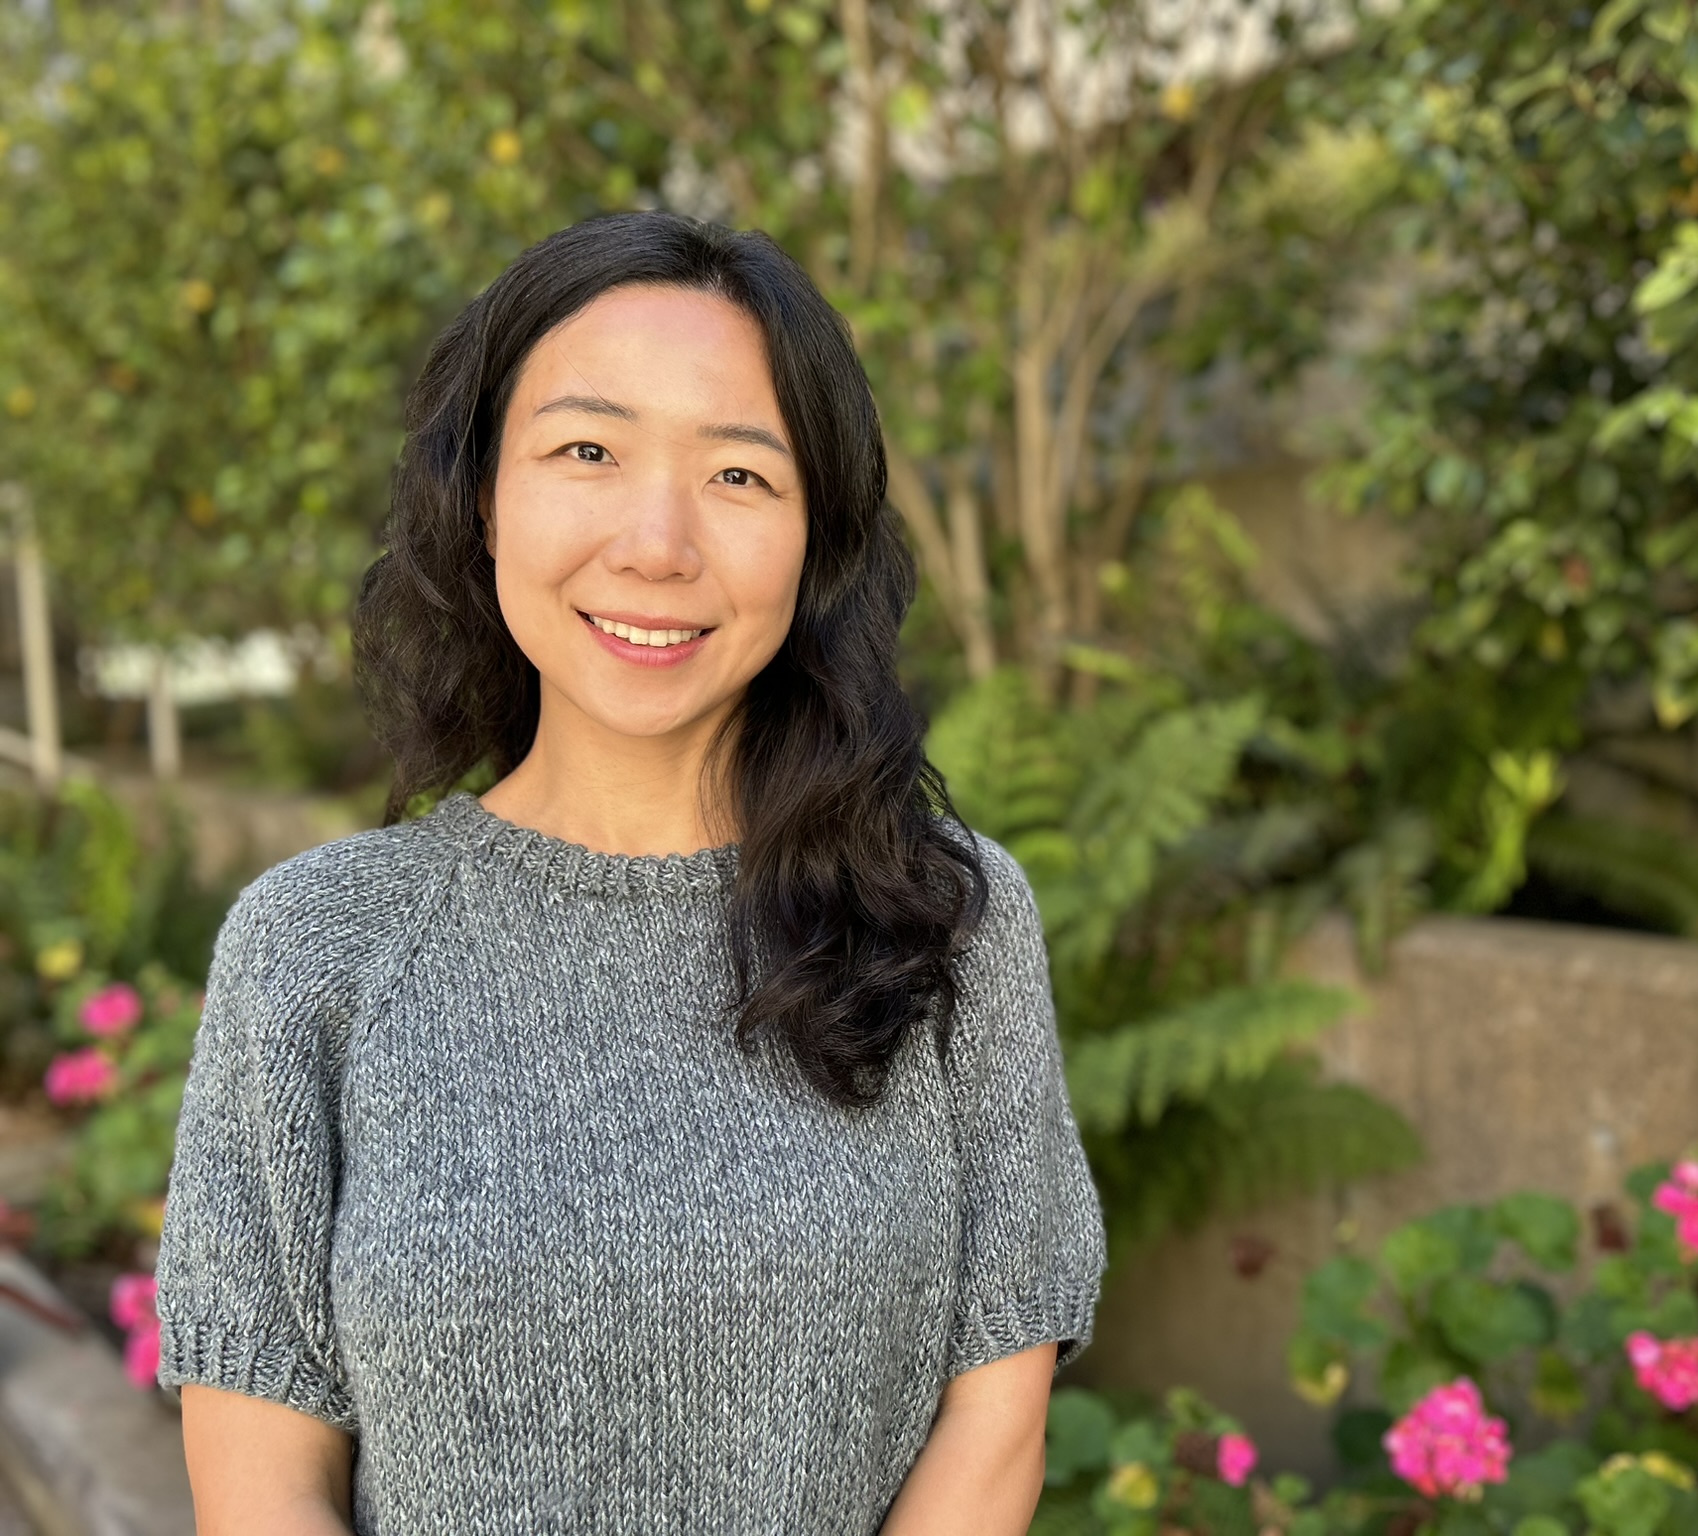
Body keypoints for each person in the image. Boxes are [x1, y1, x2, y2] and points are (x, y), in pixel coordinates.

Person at [152, 210, 1108, 1535]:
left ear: (816, 541)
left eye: (740, 474)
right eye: (588, 451)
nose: (658, 543)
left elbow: (995, 1422)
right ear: (483, 499)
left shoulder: (942, 915)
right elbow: (263, 1476)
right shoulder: (316, 945)